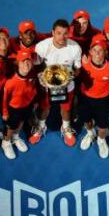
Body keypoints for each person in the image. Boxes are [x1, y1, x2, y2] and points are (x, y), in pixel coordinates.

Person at [29, 19, 82, 147]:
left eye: (65, 33)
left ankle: (66, 127)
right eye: (58, 33)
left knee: (66, 108)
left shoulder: (75, 48)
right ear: (53, 32)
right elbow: (36, 66)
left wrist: (71, 77)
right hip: (46, 85)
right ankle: (41, 126)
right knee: (44, 107)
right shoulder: (42, 47)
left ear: (69, 33)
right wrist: (40, 76)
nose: (62, 37)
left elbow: (78, 69)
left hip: (67, 84)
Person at [79, 34, 109, 158]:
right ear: (90, 52)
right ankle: (90, 133)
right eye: (94, 50)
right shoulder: (83, 64)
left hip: (103, 101)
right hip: (85, 98)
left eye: (100, 50)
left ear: (105, 53)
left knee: (103, 126)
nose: (97, 53)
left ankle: (101, 140)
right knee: (87, 120)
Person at [1, 50, 36, 159]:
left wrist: (34, 103)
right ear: (18, 63)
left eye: (29, 61)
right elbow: (4, 99)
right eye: (23, 61)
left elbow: (33, 90)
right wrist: (5, 112)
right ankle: (6, 142)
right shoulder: (11, 82)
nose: (26, 64)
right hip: (14, 109)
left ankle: (16, 137)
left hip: (27, 106)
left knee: (21, 122)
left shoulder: (32, 77)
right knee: (11, 126)